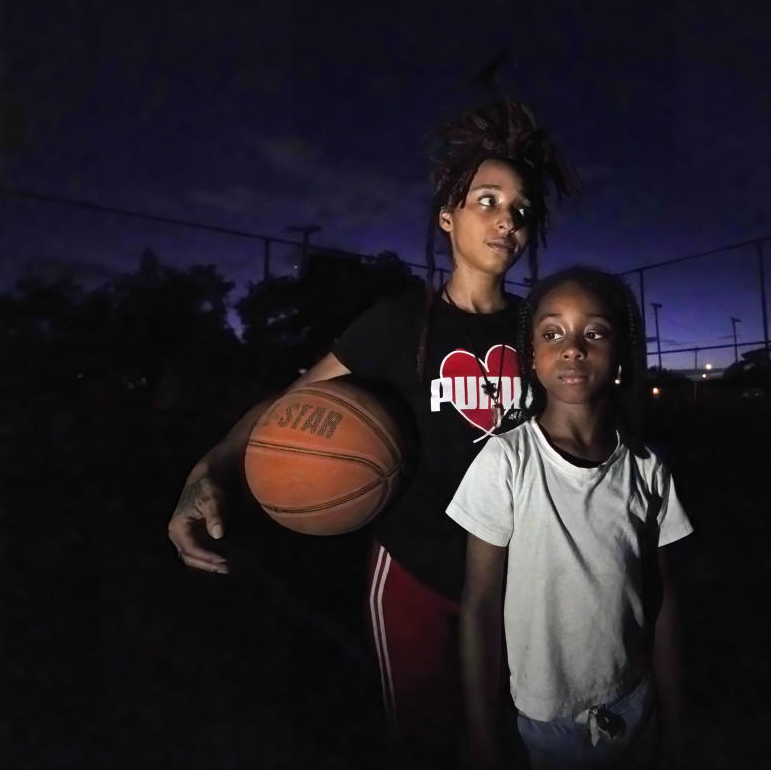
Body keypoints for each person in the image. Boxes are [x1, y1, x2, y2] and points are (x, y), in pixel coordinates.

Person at [166, 99, 579, 762]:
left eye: (522, 209)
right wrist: (204, 475)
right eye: (487, 200)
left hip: (522, 574)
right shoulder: (395, 324)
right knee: (423, 740)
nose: (507, 219)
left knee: (522, 737)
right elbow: (288, 408)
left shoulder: (539, 330)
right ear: (447, 215)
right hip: (414, 567)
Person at [447, 267, 693, 768]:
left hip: (634, 702)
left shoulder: (648, 468)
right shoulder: (505, 461)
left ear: (621, 353)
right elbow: (478, 606)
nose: (573, 347)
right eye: (552, 332)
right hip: (544, 720)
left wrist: (677, 718)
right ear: (531, 357)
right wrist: (482, 739)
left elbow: (664, 599)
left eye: (595, 332)